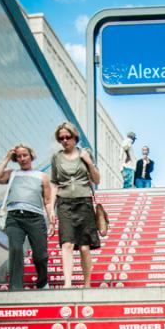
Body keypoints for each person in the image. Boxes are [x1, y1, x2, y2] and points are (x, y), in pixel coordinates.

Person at [0, 145, 51, 291]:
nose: (22, 159)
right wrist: (6, 158)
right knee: (16, 250)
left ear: (31, 155)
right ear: (16, 159)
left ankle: (42, 282)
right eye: (19, 156)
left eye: (25, 155)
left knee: (40, 255)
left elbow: (48, 201)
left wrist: (52, 219)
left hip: (35, 218)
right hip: (14, 217)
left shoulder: (42, 176)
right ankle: (16, 287)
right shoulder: (12, 174)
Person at [49, 121, 101, 289]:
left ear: (74, 137)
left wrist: (89, 162)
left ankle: (87, 284)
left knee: (84, 247)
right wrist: (50, 209)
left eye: (67, 137)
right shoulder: (56, 157)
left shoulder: (84, 154)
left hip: (84, 201)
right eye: (61, 138)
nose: (64, 140)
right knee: (67, 243)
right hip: (64, 203)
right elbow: (54, 183)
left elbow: (96, 179)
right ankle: (68, 283)